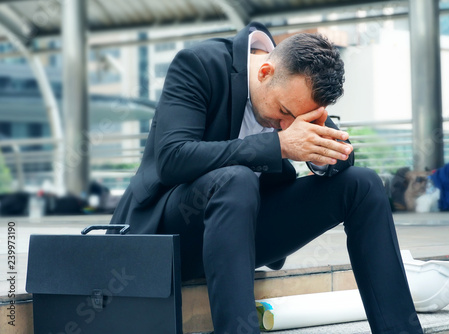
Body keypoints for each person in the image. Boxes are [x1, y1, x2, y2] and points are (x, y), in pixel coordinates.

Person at [110, 21, 423, 333]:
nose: (286, 125)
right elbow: (172, 158)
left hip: (240, 232)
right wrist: (279, 145)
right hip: (169, 233)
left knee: (364, 184)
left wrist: (324, 153)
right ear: (264, 73)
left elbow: (334, 151)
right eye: (284, 112)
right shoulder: (198, 64)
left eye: (298, 119)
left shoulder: (294, 91)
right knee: (237, 179)